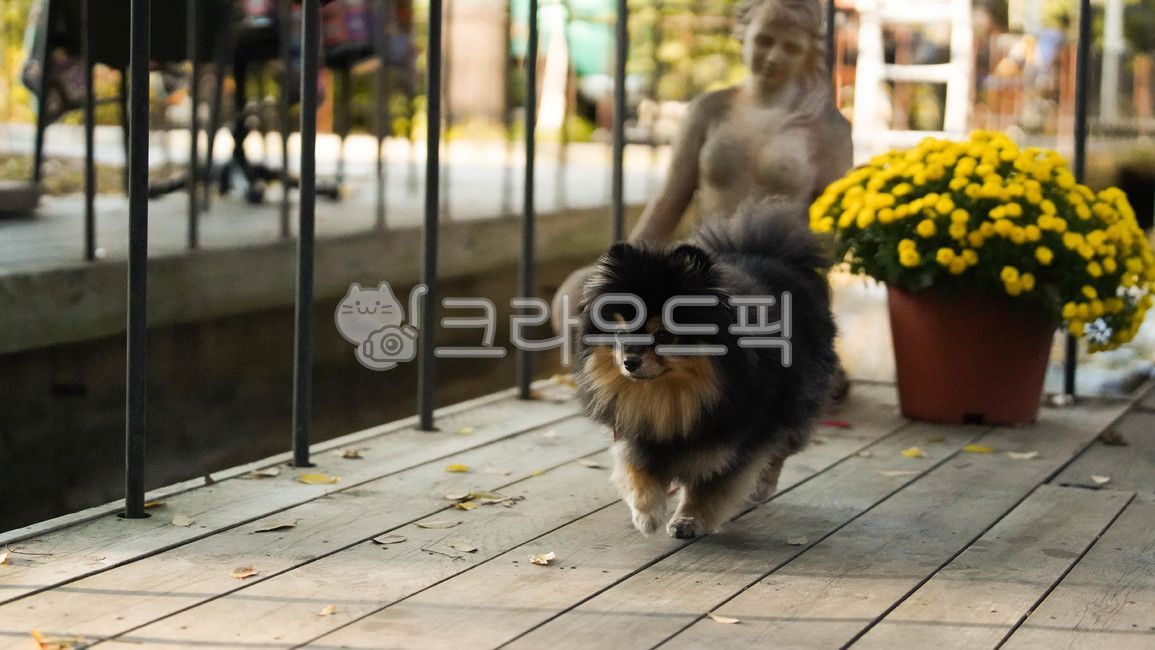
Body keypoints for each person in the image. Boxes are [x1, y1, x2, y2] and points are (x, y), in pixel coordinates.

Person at [553, 0, 853, 397]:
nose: (774, 56)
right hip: (703, 267)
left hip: (771, 275)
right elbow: (668, 202)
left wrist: (809, 303)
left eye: (791, 47)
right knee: (575, 293)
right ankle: (623, 389)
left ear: (808, 53)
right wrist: (617, 272)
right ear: (742, 33)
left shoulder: (827, 127)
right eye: (765, 39)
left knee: (760, 355)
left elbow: (835, 223)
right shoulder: (709, 111)